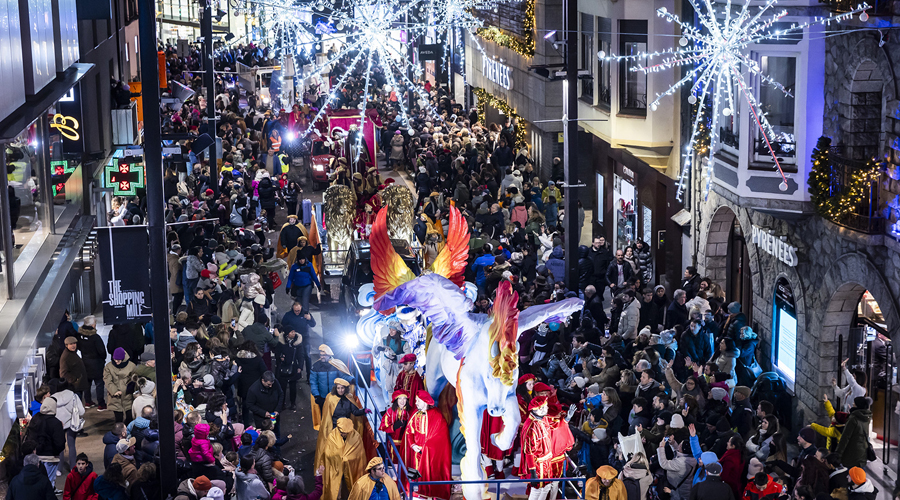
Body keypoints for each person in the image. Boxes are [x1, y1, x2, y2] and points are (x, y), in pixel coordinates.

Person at [520, 396, 575, 500]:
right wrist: (532, 472)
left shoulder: (543, 419)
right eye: (544, 407)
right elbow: (529, 452)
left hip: (547, 462)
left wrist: (567, 419)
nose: (547, 408)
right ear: (538, 409)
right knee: (537, 490)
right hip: (538, 464)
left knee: (546, 487)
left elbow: (553, 425)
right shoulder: (531, 427)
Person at [403, 391, 452, 500]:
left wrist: (427, 447)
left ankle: (431, 492)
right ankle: (415, 490)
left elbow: (441, 436)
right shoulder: (415, 414)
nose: (416, 403)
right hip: (416, 450)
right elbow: (409, 432)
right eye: (416, 401)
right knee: (414, 469)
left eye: (418, 401)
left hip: (429, 452)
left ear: (425, 402)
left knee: (430, 471)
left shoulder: (437, 415)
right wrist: (412, 445)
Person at [322, 418, 369, 500]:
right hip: (336, 469)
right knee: (337, 490)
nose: (344, 434)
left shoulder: (356, 437)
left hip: (351, 469)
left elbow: (359, 455)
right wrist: (339, 458)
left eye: (346, 433)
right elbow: (327, 453)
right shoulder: (332, 436)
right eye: (342, 433)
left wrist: (347, 459)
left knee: (349, 488)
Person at [27, 396, 66, 483]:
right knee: (49, 483)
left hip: (37, 457)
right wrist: (55, 453)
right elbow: (59, 443)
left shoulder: (36, 419)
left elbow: (30, 436)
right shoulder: (56, 422)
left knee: (38, 482)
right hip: (51, 458)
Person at [78, 315, 107, 410]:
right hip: (97, 364)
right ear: (93, 325)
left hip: (85, 363)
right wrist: (103, 359)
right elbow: (102, 351)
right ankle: (101, 404)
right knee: (99, 384)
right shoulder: (95, 337)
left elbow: (79, 347)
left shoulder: (80, 336)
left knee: (87, 383)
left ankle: (88, 401)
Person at [835, 397, 872, 469]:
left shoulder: (853, 418)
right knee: (859, 477)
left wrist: (838, 453)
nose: (853, 404)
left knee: (850, 477)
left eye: (854, 403)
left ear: (858, 405)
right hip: (862, 453)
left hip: (852, 454)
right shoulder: (866, 417)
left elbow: (845, 437)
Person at [103, 348, 136, 423]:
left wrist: (130, 388)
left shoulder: (131, 366)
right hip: (115, 397)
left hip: (128, 395)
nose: (116, 362)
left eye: (118, 360)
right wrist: (114, 391)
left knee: (129, 417)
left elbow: (134, 379)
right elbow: (107, 380)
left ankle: (128, 432)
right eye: (115, 359)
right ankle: (119, 432)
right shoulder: (109, 367)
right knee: (118, 418)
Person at [378, 390, 411, 460]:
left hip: (406, 443)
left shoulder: (409, 412)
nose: (402, 401)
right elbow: (384, 426)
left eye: (404, 398)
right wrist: (394, 427)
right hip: (393, 443)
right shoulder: (390, 411)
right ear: (396, 399)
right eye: (400, 398)